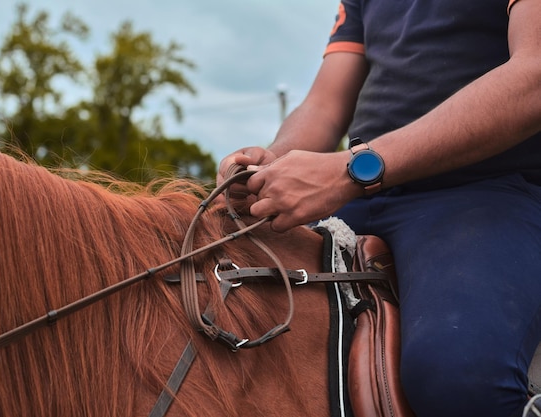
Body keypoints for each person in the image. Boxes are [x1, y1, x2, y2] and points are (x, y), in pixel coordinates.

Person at [217, 0, 541, 416]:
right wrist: (271, 165)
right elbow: (325, 104)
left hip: (490, 193)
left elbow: (533, 75)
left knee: (457, 374)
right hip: (362, 192)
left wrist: (351, 170)